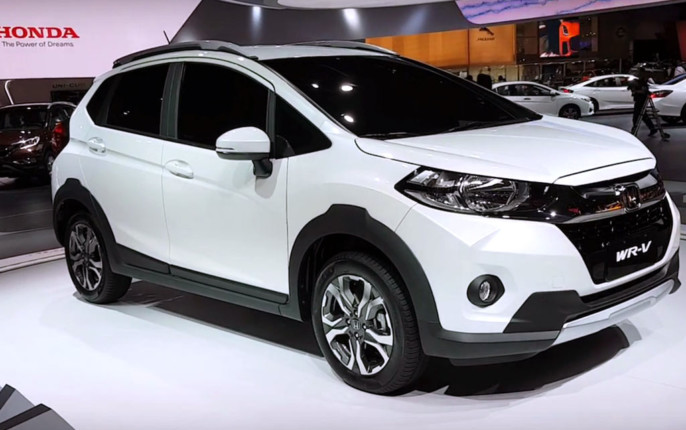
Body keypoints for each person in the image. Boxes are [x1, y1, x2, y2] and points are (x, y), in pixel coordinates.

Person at [627, 67, 657, 136]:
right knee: (643, 115)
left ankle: (634, 130)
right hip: (640, 99)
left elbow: (643, 90)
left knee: (636, 115)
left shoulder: (642, 81)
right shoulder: (640, 80)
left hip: (641, 99)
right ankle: (652, 128)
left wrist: (636, 91)